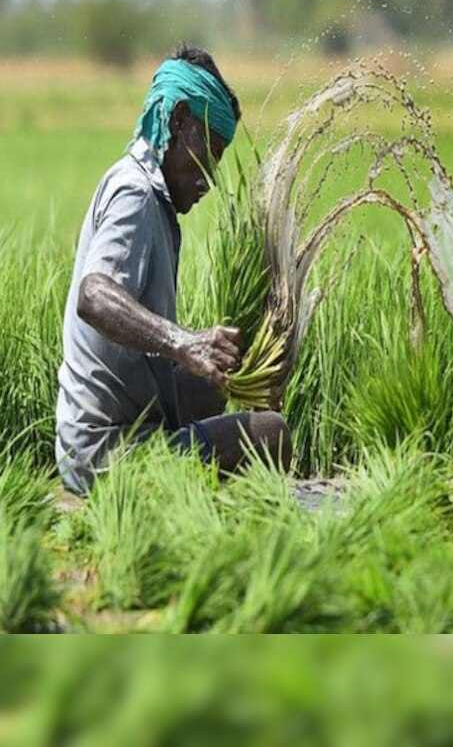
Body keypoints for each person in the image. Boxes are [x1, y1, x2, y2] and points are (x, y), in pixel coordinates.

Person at [55, 45, 292, 495]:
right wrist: (183, 342)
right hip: (106, 456)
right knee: (272, 433)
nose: (211, 177)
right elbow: (93, 295)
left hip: (92, 440)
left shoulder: (148, 195)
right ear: (179, 120)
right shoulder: (137, 196)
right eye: (211, 153)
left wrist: (220, 362)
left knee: (212, 388)